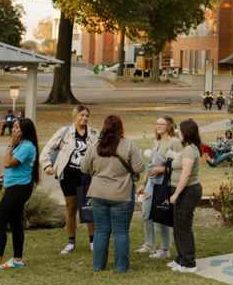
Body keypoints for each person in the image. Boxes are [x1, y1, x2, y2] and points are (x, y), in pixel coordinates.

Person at [80, 114, 146, 272]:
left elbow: (83, 168)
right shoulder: (128, 145)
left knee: (101, 230)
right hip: (121, 193)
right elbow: (139, 168)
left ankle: (98, 265)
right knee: (120, 231)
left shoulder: (95, 146)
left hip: (98, 192)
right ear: (121, 128)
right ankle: (122, 267)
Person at [0, 117, 39, 273]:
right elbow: (13, 167)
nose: (13, 130)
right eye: (13, 127)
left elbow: (8, 162)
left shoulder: (26, 146)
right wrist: (5, 175)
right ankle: (17, 260)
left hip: (18, 189)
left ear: (24, 131)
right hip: (16, 186)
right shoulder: (22, 145)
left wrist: (10, 145)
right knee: (16, 223)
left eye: (17, 127)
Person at [41, 105, 100, 254]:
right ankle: (71, 241)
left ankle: (93, 240)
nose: (84, 118)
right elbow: (47, 149)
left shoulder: (93, 133)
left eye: (87, 115)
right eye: (81, 115)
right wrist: (48, 165)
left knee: (88, 208)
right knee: (71, 208)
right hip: (68, 175)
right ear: (75, 117)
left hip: (87, 176)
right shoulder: (65, 132)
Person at [136, 115, 181, 259]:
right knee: (146, 213)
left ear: (169, 125)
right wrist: (143, 183)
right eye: (157, 124)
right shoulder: (156, 142)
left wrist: (162, 170)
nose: (158, 126)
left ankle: (165, 249)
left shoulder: (174, 142)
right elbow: (150, 164)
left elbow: (178, 166)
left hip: (164, 182)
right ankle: (149, 244)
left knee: (162, 215)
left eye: (161, 124)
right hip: (151, 182)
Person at [169, 119, 204, 273]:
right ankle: (181, 258)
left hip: (187, 192)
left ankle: (189, 263)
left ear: (186, 133)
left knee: (183, 226)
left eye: (181, 132)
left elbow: (186, 173)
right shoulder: (187, 148)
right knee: (178, 225)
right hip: (183, 191)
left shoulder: (190, 149)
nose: (179, 134)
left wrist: (176, 194)